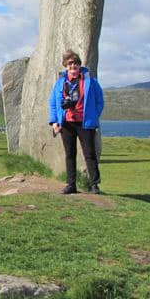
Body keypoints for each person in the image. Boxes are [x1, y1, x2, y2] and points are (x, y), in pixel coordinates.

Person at [49, 49, 104, 194]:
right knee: (70, 154)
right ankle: (71, 184)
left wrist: (94, 115)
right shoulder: (60, 83)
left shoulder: (90, 81)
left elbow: (100, 101)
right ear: (66, 66)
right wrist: (54, 122)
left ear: (79, 65)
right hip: (66, 122)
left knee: (89, 154)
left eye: (75, 63)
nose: (73, 66)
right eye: (70, 64)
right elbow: (53, 103)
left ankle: (94, 185)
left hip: (85, 122)